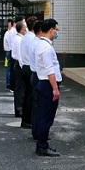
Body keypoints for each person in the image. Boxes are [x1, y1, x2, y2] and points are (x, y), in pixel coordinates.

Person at [33, 18, 61, 157]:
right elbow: (50, 70)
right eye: (56, 29)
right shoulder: (46, 47)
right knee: (46, 117)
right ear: (51, 30)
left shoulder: (41, 44)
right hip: (47, 85)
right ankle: (42, 146)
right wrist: (55, 88)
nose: (57, 32)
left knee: (43, 115)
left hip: (44, 83)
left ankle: (43, 144)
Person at [19, 16, 37, 129]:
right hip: (30, 68)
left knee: (26, 95)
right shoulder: (33, 39)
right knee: (31, 96)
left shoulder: (25, 37)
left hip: (24, 67)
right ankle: (28, 120)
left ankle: (25, 119)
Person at [12, 20, 27, 118]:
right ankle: (19, 109)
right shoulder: (19, 39)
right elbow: (19, 54)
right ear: (22, 29)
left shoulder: (19, 38)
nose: (26, 29)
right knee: (20, 88)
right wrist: (23, 66)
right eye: (25, 28)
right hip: (20, 64)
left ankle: (20, 108)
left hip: (19, 64)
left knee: (21, 88)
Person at [3, 19, 14, 90]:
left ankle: (8, 82)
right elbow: (11, 44)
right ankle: (9, 83)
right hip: (9, 51)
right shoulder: (9, 33)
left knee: (8, 67)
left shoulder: (7, 33)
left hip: (7, 51)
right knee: (9, 68)